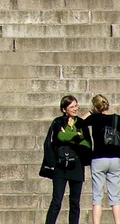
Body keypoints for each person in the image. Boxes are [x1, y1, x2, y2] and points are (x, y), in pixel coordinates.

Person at [83, 94, 120, 224]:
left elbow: (79, 123)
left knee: (97, 197)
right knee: (115, 197)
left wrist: (89, 112)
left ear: (95, 107)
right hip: (114, 159)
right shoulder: (117, 118)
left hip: (98, 159)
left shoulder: (94, 118)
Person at [42, 95, 92, 224]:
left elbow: (87, 143)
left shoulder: (81, 123)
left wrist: (69, 136)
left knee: (75, 203)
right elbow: (58, 137)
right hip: (60, 165)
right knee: (56, 201)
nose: (76, 109)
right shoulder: (58, 122)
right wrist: (76, 136)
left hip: (77, 164)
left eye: (76, 106)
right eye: (72, 107)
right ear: (64, 109)